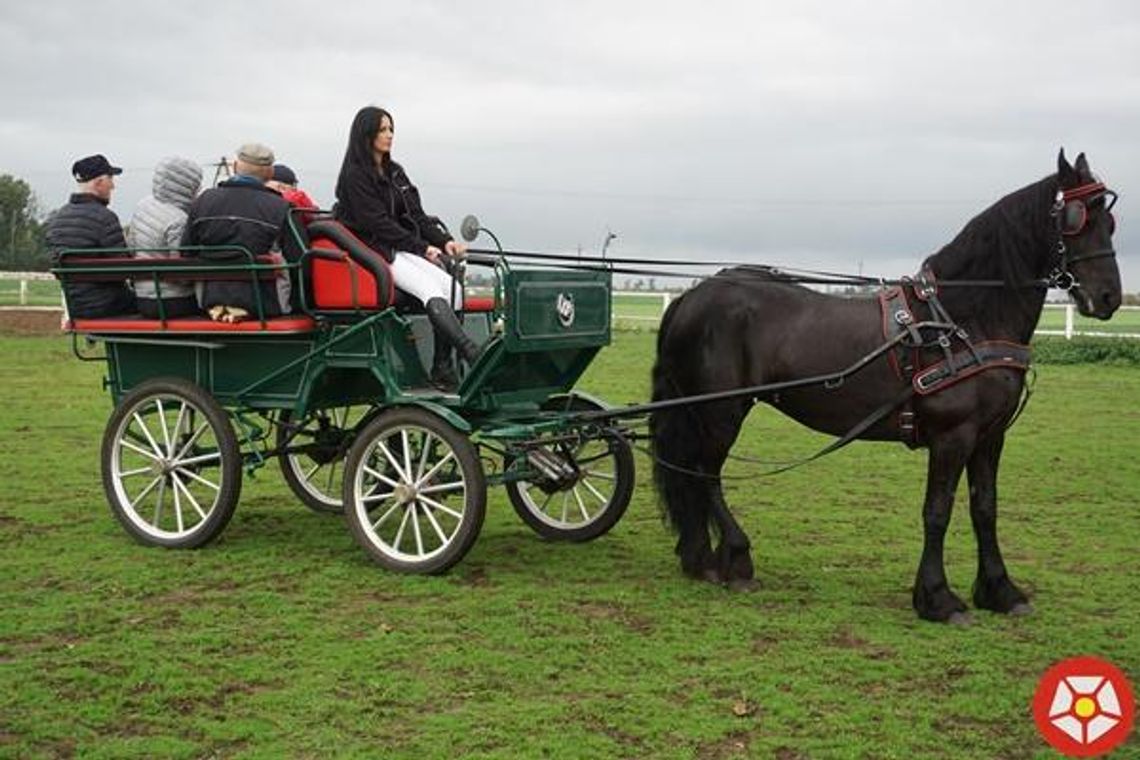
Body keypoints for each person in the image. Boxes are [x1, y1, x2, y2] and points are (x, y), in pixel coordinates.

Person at [334, 105, 474, 389]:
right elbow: (377, 223)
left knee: (454, 292)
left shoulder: (395, 173)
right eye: (383, 130)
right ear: (367, 134)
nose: (389, 135)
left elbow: (417, 217)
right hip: (372, 251)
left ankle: (441, 366)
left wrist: (443, 242)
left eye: (391, 129)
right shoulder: (354, 176)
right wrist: (422, 248)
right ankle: (470, 351)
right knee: (430, 290)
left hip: (399, 247)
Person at [182, 143, 291, 322]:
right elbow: (298, 258)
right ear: (270, 173)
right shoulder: (280, 207)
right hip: (266, 304)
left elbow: (186, 252)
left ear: (234, 168)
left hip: (209, 301)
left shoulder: (203, 201)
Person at [46, 154, 136, 318]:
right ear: (99, 182)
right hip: (108, 304)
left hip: (74, 306)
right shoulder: (105, 218)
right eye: (110, 179)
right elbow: (124, 270)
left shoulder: (57, 218)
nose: (113, 186)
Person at [127, 156, 204, 318]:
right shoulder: (179, 219)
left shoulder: (142, 206)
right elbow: (182, 276)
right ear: (187, 185)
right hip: (173, 301)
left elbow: (131, 248)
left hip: (141, 298)